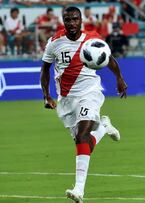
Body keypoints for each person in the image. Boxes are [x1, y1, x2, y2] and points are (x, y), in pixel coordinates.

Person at [40, 6, 127, 203]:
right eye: (68, 20)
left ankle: (79, 190)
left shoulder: (92, 38)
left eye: (75, 19)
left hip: (90, 93)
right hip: (66, 99)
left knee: (82, 135)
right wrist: (47, 95)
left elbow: (108, 57)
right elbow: (45, 70)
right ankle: (103, 127)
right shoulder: (54, 43)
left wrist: (119, 78)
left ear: (81, 21)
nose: (71, 23)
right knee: (84, 144)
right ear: (63, 21)